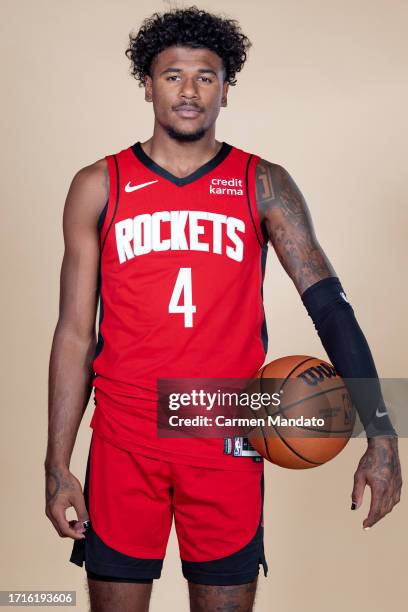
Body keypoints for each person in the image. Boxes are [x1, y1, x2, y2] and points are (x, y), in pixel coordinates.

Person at [44, 6, 402, 611]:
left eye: (205, 76)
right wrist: (56, 463)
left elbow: (330, 308)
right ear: (148, 84)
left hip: (226, 431)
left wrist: (384, 434)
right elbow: (75, 335)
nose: (189, 91)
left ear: (226, 89)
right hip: (125, 437)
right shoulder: (100, 184)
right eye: (173, 75)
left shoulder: (263, 183)